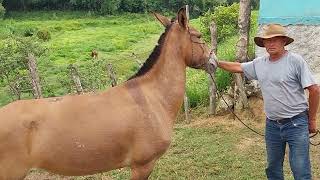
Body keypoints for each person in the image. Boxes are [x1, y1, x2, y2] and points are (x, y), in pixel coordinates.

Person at [210, 24, 320, 180]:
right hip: (272, 125)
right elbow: (237, 67)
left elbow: (315, 90)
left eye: (275, 40)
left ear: (283, 41)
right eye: (267, 41)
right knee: (273, 168)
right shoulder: (260, 63)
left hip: (296, 123)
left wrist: (312, 119)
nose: (271, 44)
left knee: (300, 169)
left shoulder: (295, 61)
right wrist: (216, 62)